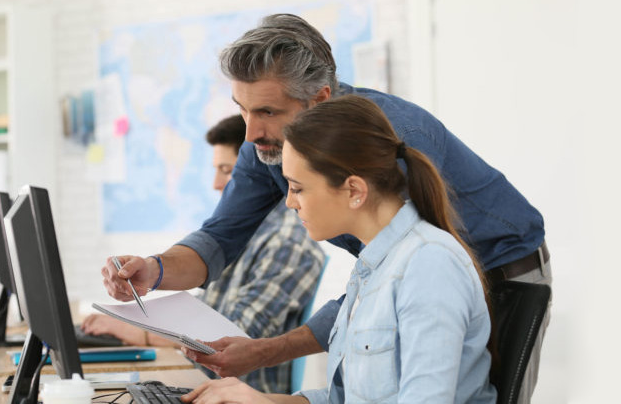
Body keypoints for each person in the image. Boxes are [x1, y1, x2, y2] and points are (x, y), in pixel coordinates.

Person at [102, 14, 550, 402]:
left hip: (502, 267)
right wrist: (153, 270)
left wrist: (266, 355)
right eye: (242, 110)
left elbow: (407, 280)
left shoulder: (393, 154)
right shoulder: (271, 148)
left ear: (318, 99)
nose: (251, 132)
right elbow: (220, 238)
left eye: (268, 112)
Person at [184, 95, 497, 403]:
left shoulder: (429, 265)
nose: (290, 202)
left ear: (354, 191)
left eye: (298, 188)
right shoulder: (371, 267)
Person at [86, 115, 325, 394]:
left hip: (239, 392)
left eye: (227, 171)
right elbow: (210, 309)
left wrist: (138, 334)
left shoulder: (287, 245)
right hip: (202, 384)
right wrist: (136, 312)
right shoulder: (241, 237)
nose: (215, 183)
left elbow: (232, 337)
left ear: (257, 174)